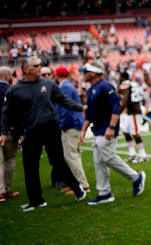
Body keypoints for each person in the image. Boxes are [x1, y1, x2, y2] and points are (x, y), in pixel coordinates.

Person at [0, 57, 88, 211]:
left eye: (40, 65)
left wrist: (81, 108)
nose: (40, 67)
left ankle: (78, 189)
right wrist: (3, 131)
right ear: (25, 69)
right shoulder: (14, 90)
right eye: (36, 65)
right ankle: (36, 200)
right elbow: (7, 113)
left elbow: (64, 101)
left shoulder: (49, 84)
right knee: (30, 166)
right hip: (31, 131)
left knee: (58, 162)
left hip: (51, 129)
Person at [79, 62, 146, 205]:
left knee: (107, 157)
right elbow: (89, 113)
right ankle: (104, 193)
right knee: (99, 161)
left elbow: (116, 106)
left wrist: (111, 126)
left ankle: (135, 177)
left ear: (94, 72)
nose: (83, 74)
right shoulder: (91, 90)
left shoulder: (105, 86)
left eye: (86, 71)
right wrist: (83, 130)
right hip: (97, 128)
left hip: (107, 128)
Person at [54, 66, 90, 192]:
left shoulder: (64, 87)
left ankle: (82, 185)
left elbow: (65, 108)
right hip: (75, 122)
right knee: (74, 154)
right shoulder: (69, 86)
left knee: (71, 155)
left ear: (56, 75)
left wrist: (62, 125)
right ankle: (79, 184)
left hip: (70, 124)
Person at [118, 72, 148, 163]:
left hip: (133, 111)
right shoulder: (133, 83)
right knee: (125, 131)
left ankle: (143, 155)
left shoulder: (126, 85)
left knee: (135, 133)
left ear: (122, 77)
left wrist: (119, 109)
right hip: (130, 111)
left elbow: (125, 97)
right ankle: (132, 153)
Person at [0, 66, 20, 203]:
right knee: (10, 159)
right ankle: (5, 189)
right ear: (7, 75)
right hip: (8, 131)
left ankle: (1, 191)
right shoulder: (11, 91)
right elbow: (16, 113)